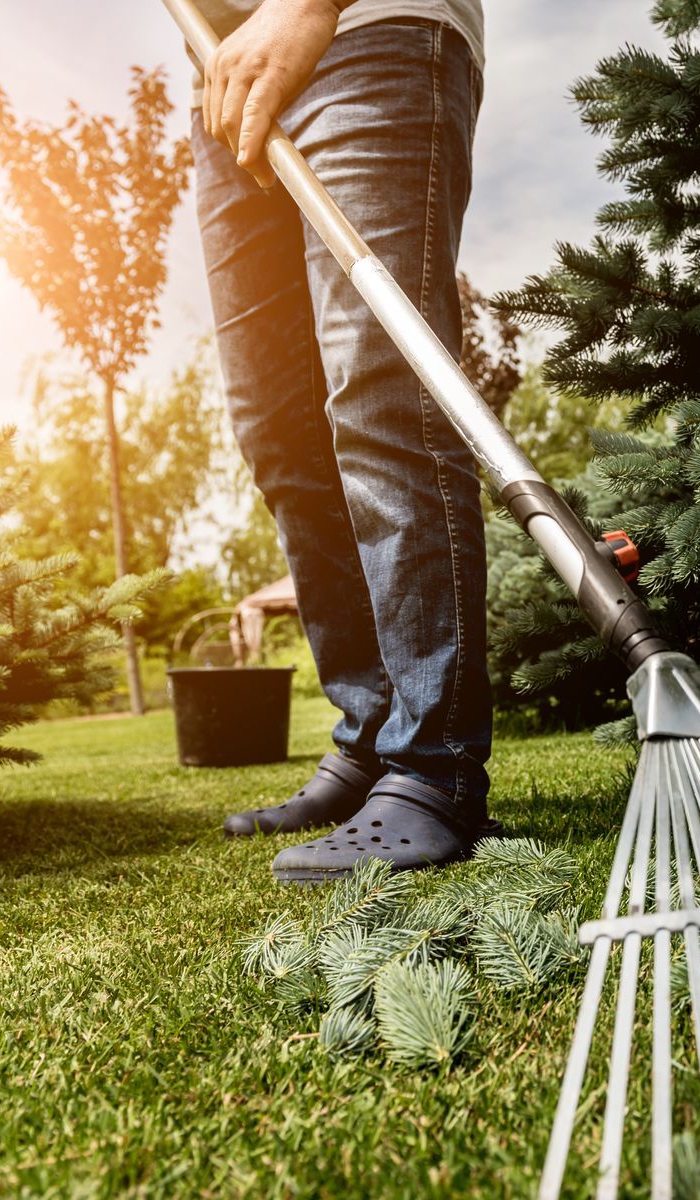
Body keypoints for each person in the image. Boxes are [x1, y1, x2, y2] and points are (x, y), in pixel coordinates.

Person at [187, 0, 493, 883]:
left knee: (381, 397)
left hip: (366, 28)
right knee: (277, 431)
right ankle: (370, 743)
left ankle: (433, 765)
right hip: (224, 71)